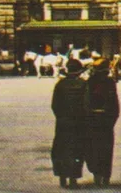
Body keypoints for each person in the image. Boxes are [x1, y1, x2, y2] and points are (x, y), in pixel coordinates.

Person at [50, 58, 87, 189]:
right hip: (79, 123)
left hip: (63, 122)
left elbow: (54, 105)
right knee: (76, 150)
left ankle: (62, 177)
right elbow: (86, 105)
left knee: (61, 149)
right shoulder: (84, 84)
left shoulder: (60, 84)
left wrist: (61, 117)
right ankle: (73, 178)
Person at [85, 57, 120, 187]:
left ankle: (97, 175)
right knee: (106, 149)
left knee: (93, 148)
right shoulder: (110, 82)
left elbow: (86, 102)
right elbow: (114, 103)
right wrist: (112, 120)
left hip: (93, 119)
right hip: (106, 120)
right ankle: (106, 176)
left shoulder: (89, 81)